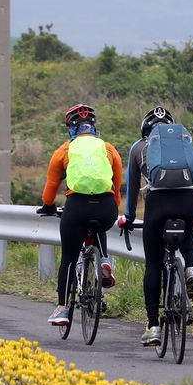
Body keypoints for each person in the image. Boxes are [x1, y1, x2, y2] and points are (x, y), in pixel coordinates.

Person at [120, 106, 193, 347]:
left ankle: (153, 326)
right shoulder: (187, 143)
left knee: (154, 264)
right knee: (188, 232)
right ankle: (190, 269)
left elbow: (133, 187)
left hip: (158, 203)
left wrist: (128, 216)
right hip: (189, 199)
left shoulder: (138, 148)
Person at [37, 104, 124, 326]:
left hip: (77, 207)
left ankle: (63, 309)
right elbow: (116, 182)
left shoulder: (64, 150)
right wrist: (112, 206)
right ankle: (103, 261)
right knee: (99, 226)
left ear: (71, 129)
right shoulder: (109, 148)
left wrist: (48, 205)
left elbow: (51, 186)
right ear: (93, 127)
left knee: (68, 260)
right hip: (106, 208)